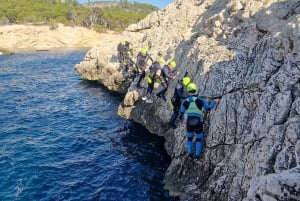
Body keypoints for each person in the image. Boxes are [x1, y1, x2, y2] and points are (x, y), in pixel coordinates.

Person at [179, 83, 220, 161]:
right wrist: (214, 101)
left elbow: (181, 114)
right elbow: (208, 108)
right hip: (198, 122)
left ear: (188, 92)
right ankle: (197, 156)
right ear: (195, 90)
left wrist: (181, 121)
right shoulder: (200, 100)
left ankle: (190, 154)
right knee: (198, 139)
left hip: (189, 123)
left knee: (189, 139)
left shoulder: (185, 102)